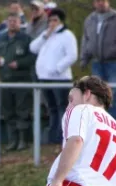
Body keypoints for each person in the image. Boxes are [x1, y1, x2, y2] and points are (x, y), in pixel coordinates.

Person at [80, 0, 116, 122]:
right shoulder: (90, 20)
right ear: (94, 3)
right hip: (96, 62)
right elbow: (86, 40)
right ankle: (99, 125)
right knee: (96, 95)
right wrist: (84, 58)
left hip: (113, 62)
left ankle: (115, 124)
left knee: (114, 93)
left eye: (103, 1)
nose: (101, 3)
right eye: (98, 1)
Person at [30, 8, 78, 144]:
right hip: (44, 78)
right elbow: (33, 48)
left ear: (61, 21)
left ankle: (62, 135)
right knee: (51, 107)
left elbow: (72, 55)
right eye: (50, 20)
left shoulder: (67, 35)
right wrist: (46, 34)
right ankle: (53, 135)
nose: (52, 23)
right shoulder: (47, 35)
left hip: (60, 78)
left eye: (55, 20)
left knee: (62, 106)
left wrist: (57, 68)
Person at [0, 12, 35, 151]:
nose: (12, 23)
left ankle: (23, 140)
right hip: (5, 80)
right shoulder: (0, 39)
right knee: (8, 111)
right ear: (6, 22)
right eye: (10, 21)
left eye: (15, 21)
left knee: (22, 110)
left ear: (19, 23)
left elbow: (32, 58)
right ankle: (12, 140)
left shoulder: (26, 39)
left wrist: (19, 63)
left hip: (22, 79)